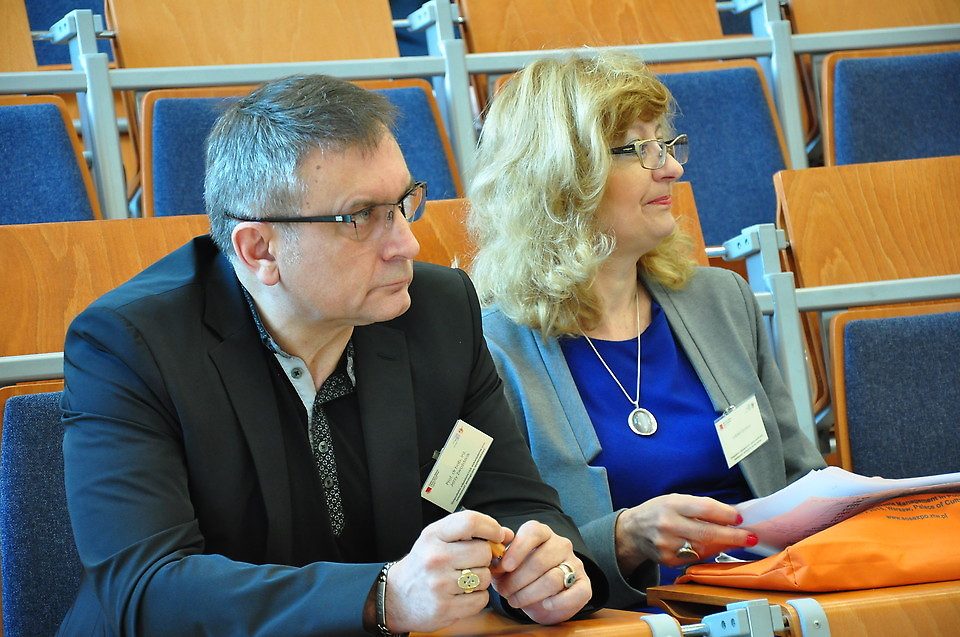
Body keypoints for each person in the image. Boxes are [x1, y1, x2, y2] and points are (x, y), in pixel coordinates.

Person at [59, 74, 606, 636]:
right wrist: (381, 597)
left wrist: (544, 572)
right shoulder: (132, 345)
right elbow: (146, 590)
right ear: (260, 249)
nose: (407, 244)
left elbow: (511, 499)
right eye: (360, 217)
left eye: (402, 204)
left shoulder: (437, 312)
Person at [468, 52, 826, 610]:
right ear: (562, 178)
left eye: (666, 144)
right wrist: (624, 538)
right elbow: (486, 568)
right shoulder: (490, 350)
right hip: (622, 621)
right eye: (639, 150)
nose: (672, 168)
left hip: (775, 600)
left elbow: (800, 477)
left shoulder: (721, 301)